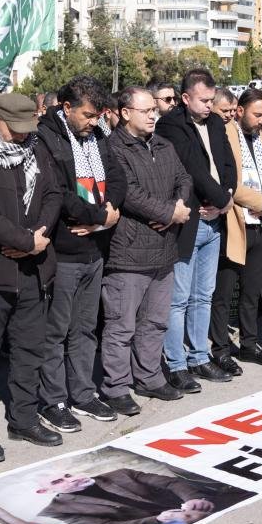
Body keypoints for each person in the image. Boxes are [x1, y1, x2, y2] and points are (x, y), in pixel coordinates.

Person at [0, 94, 64, 455]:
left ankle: (24, 419)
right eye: (16, 129)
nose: (23, 136)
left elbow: (53, 194)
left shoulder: (37, 148)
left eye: (28, 129)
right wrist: (24, 240)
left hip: (34, 269)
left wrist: (37, 239)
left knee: (29, 351)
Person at [35, 76, 125, 433]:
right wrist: (99, 216)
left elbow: (116, 177)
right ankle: (53, 400)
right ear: (66, 107)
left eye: (99, 115)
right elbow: (57, 193)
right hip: (65, 250)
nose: (94, 122)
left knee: (85, 329)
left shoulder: (98, 135)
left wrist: (109, 212)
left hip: (95, 247)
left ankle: (84, 393)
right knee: (56, 331)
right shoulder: (47, 137)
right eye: (88, 115)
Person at [99, 87, 192, 413]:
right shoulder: (113, 148)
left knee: (155, 322)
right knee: (121, 326)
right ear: (125, 113)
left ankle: (150, 377)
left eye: (155, 109)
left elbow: (184, 179)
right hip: (129, 252)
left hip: (163, 249)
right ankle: (115, 387)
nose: (154, 115)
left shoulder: (163, 144)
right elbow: (129, 194)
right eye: (146, 110)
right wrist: (168, 213)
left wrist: (177, 209)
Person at [155, 70, 237, 392]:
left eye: (211, 100)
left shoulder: (216, 123)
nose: (209, 106)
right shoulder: (171, 126)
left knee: (204, 295)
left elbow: (227, 164)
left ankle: (200, 357)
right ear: (186, 98)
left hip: (215, 219)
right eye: (203, 100)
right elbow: (194, 171)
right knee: (179, 298)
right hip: (190, 223)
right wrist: (220, 200)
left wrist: (226, 200)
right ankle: (176, 363)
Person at [211, 89, 262, 371]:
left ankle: (249, 344)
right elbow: (230, 181)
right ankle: (220, 350)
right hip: (236, 223)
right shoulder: (225, 136)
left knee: (252, 292)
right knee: (224, 292)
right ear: (239, 111)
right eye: (257, 114)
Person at [35, 468, 224, 524]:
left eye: (67, 475)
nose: (71, 479)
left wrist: (192, 498)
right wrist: (157, 520)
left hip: (191, 507)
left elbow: (170, 482)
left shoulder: (120, 474)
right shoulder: (56, 510)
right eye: (57, 482)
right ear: (45, 491)